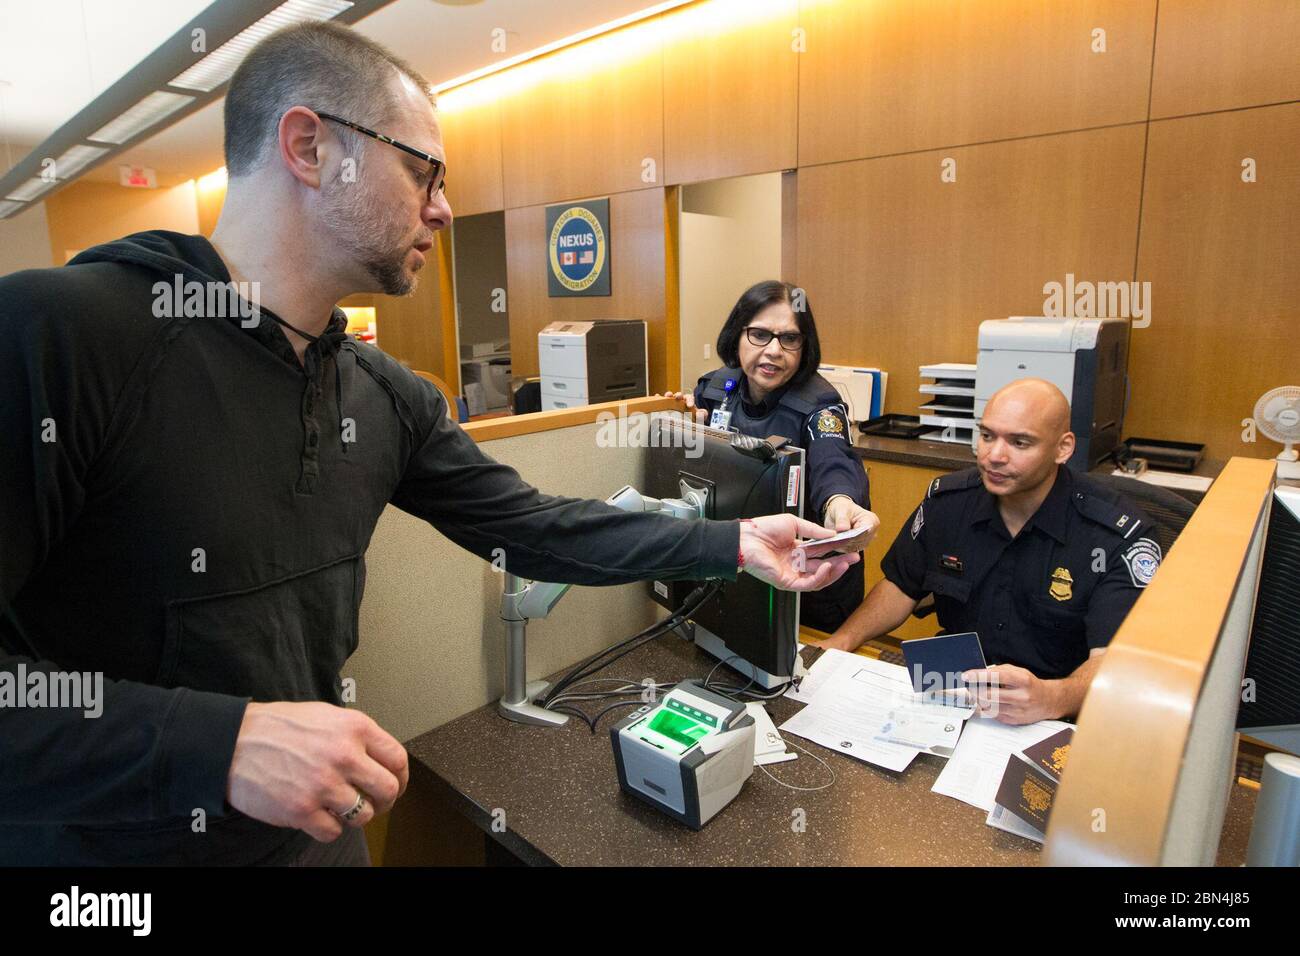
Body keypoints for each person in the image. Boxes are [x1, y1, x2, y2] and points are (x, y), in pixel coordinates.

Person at [0, 22, 857, 866]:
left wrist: (731, 542)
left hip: (315, 838)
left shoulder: (384, 397)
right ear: (308, 147)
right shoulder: (62, 336)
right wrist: (215, 745)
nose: (444, 209)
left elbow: (533, 527)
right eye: (423, 173)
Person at [822, 379, 1163, 725]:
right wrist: (840, 642)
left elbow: (1112, 660)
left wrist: (1052, 698)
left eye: (1019, 442)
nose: (994, 456)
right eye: (987, 436)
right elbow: (900, 587)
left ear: (1063, 448)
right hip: (950, 688)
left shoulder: (1116, 535)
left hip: (1052, 709)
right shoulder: (949, 502)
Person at [665, 280, 879, 631]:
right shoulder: (716, 388)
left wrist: (840, 503)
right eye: (760, 334)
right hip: (740, 563)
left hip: (809, 580)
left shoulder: (819, 404)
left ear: (804, 346)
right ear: (737, 335)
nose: (774, 351)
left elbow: (834, 460)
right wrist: (684, 425)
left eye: (789, 338)